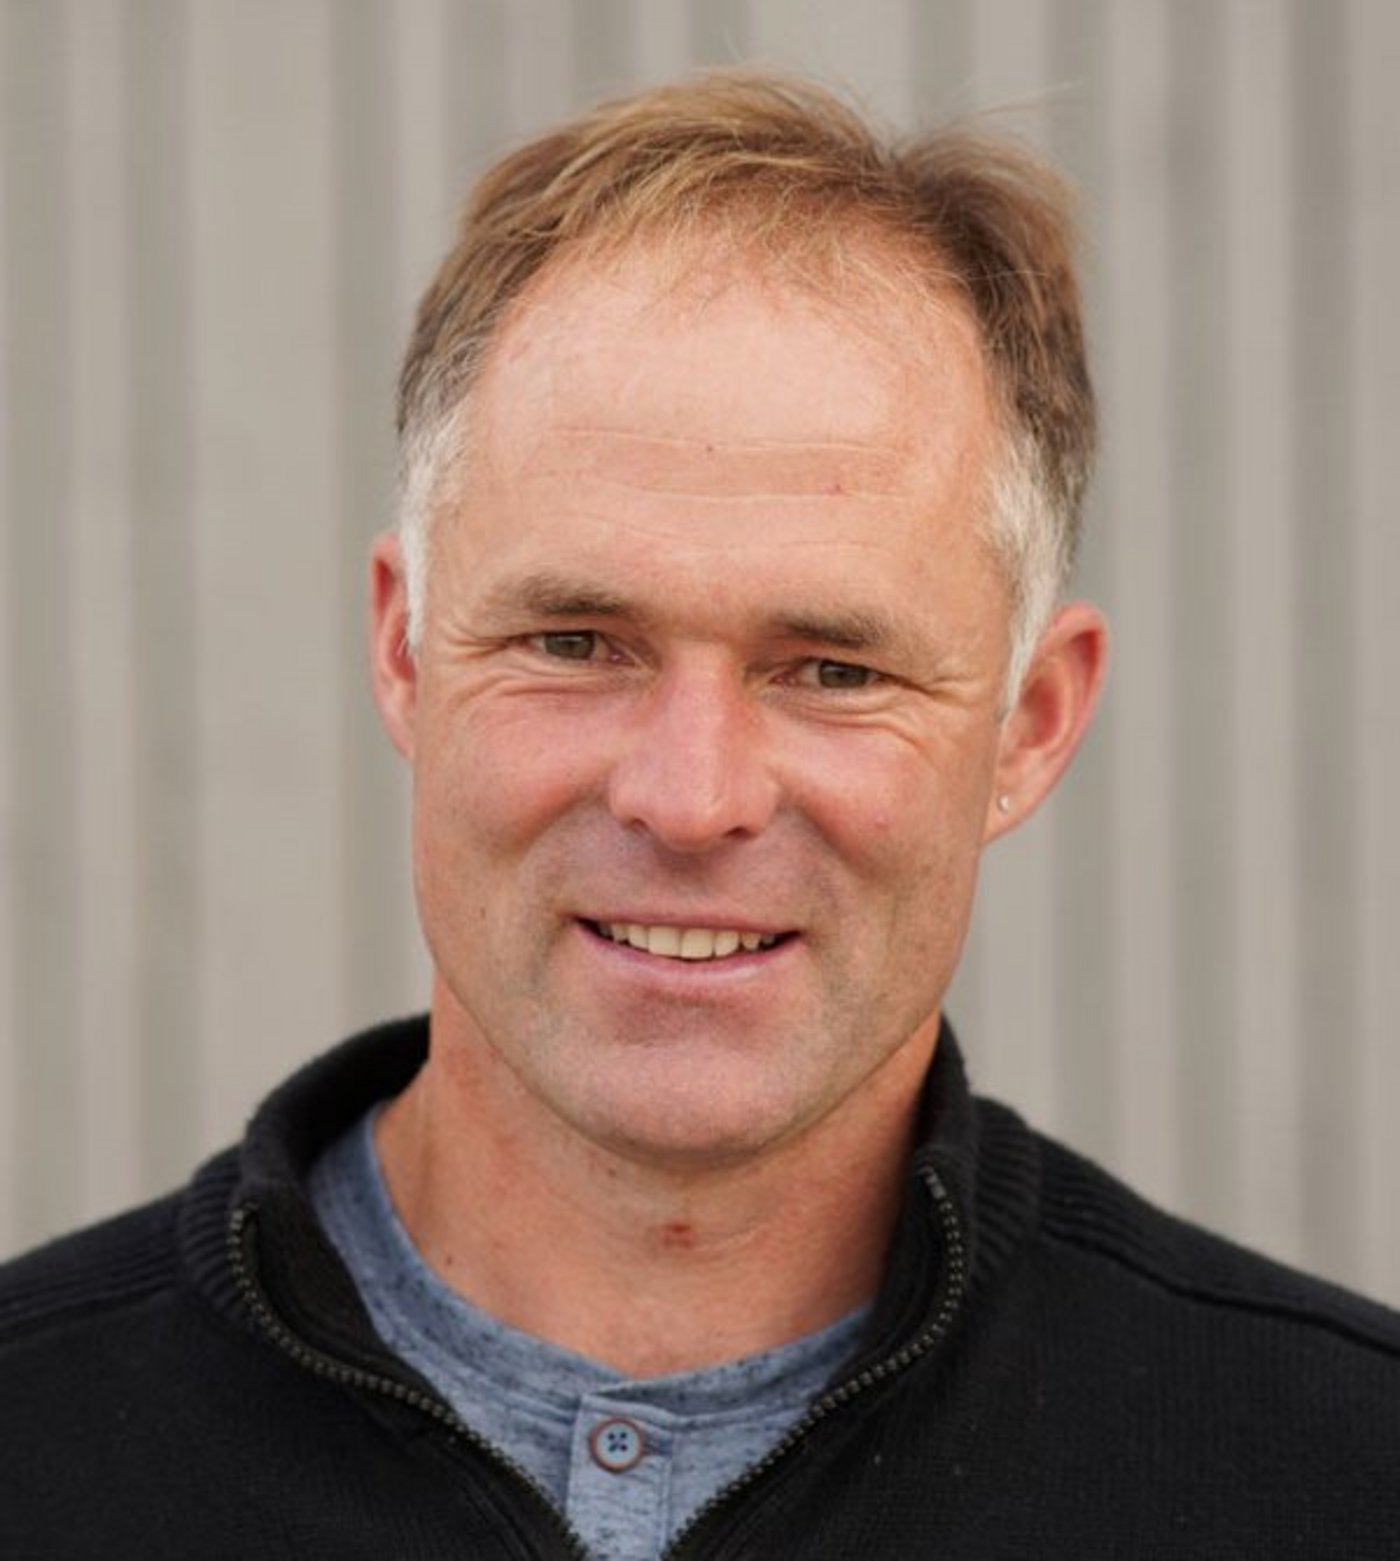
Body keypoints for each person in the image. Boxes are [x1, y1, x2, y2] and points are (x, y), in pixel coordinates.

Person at [2, 70, 1397, 1559]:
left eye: (835, 670)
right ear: (406, 651)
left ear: (1031, 722)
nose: (689, 797)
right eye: (574, 642)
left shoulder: (1338, 1480)